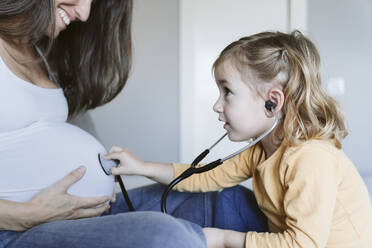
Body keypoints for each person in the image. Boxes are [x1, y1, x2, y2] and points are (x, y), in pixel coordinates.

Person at [104, 30, 372, 248]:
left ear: (272, 102)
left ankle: (111, 222)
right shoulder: (262, 149)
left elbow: (302, 245)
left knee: (223, 207)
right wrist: (141, 167)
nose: (217, 106)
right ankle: (109, 219)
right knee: (228, 196)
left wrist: (225, 239)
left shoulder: (311, 158)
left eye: (227, 92)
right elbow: (203, 177)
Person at [0, 0, 206, 247]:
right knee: (165, 238)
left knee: (223, 202)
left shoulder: (41, 53)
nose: (85, 14)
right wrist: (25, 215)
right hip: (16, 229)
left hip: (81, 213)